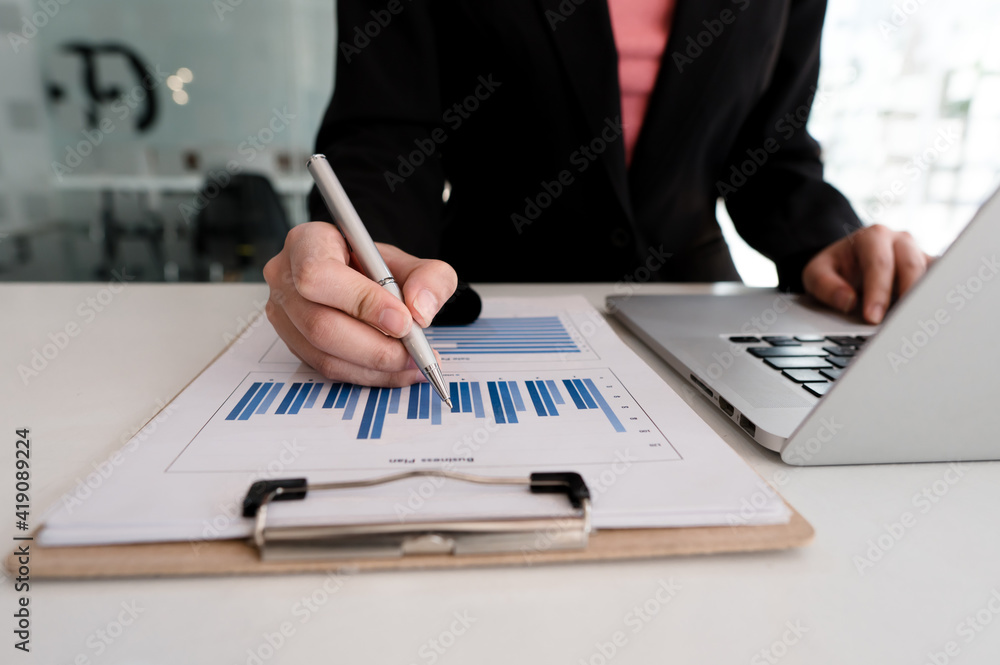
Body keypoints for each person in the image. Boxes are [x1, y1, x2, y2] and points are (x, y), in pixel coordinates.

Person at [264, 0, 932, 387]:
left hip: (694, 313)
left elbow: (772, 149)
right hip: (476, 304)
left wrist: (826, 240)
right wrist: (364, 252)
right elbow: (384, 133)